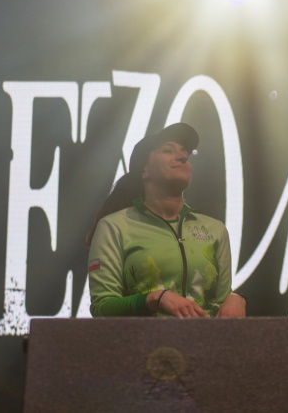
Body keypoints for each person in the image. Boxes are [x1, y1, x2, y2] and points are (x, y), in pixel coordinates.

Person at [86, 123, 246, 318]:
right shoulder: (114, 226)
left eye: (185, 153)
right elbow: (102, 307)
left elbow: (222, 305)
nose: (182, 156)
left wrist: (236, 298)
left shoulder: (215, 229)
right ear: (144, 170)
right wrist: (154, 299)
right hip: (142, 338)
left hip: (206, 338)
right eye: (167, 150)